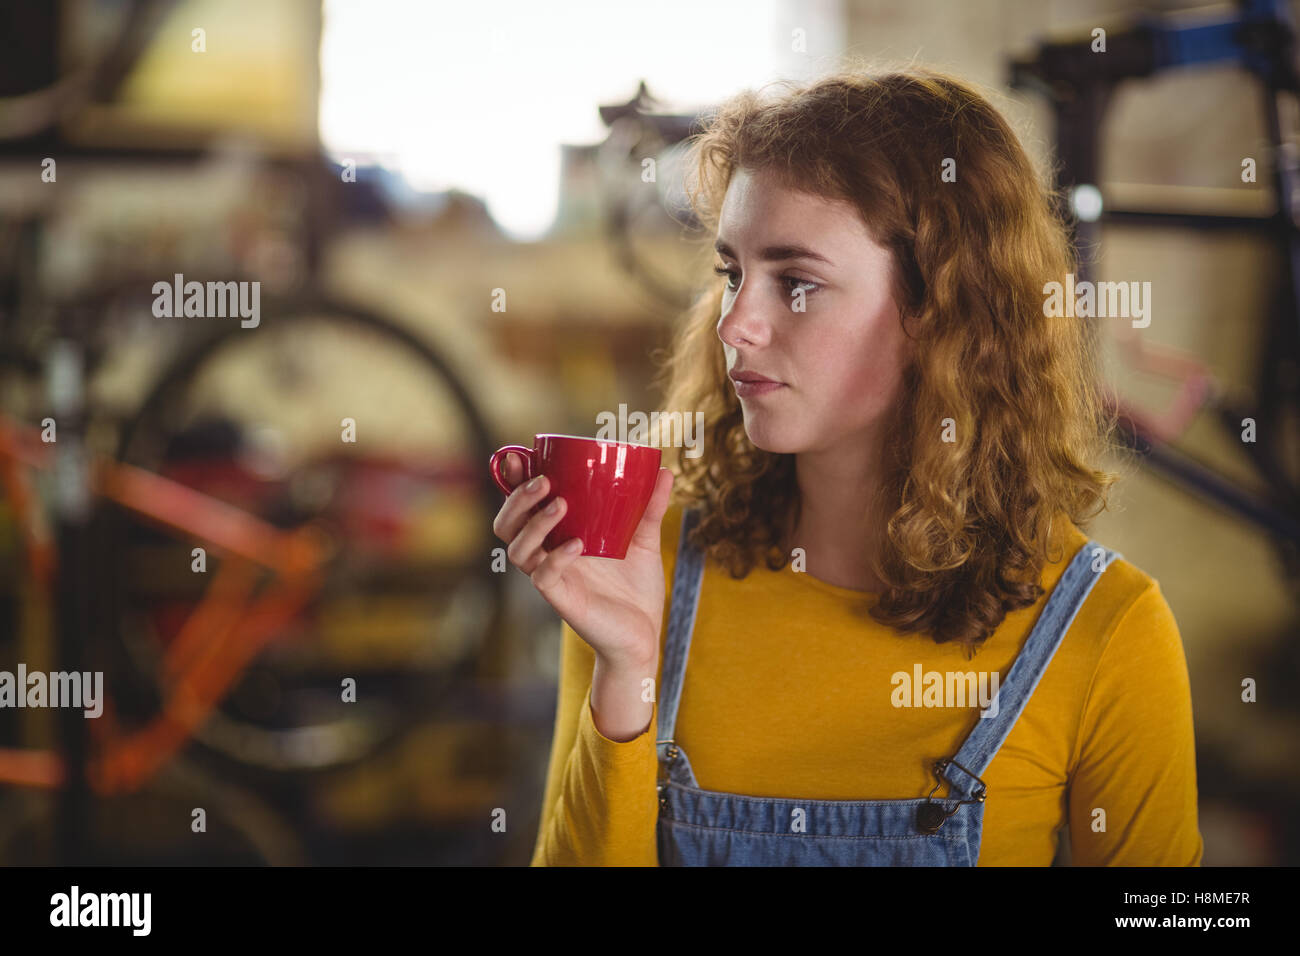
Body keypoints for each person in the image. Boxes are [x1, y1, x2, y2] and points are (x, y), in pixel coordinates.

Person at [494, 67, 1202, 866]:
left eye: (795, 283)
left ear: (943, 312)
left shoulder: (1107, 629)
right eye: (733, 273)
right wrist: (626, 675)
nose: (733, 325)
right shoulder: (637, 575)